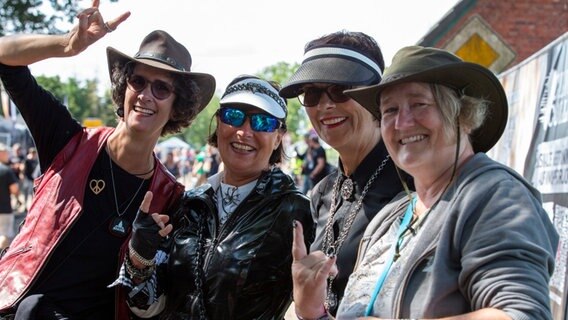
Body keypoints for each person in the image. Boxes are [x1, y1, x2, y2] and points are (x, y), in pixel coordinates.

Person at [291, 46, 559, 319]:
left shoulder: (494, 196)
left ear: (463, 114)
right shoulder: (392, 216)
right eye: (390, 110)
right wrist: (312, 312)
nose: (402, 123)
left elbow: (522, 313)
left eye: (419, 104)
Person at [0, 1, 216, 318]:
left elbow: (156, 298)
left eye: (161, 88)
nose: (145, 95)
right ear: (123, 86)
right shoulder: (68, 142)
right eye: (138, 81)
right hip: (13, 305)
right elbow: (5, 58)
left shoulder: (170, 199)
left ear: (177, 105)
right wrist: (68, 45)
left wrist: (141, 254)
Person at [115, 75, 314, 319]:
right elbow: (148, 307)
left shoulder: (295, 211)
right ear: (218, 124)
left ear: (277, 138)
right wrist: (140, 257)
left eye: (262, 122)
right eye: (234, 116)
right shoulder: (189, 203)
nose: (244, 131)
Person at [279, 30, 410, 315]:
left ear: (375, 96)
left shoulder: (414, 184)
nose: (326, 105)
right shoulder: (322, 193)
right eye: (312, 94)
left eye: (340, 90)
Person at [0, 144, 19, 250]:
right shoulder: (6, 171)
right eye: (6, 153)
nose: (8, 155)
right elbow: (15, 189)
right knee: (4, 235)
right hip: (4, 209)